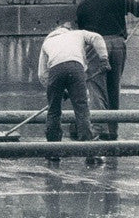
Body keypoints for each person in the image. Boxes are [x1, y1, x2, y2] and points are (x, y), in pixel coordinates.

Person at [75, 0, 139, 140]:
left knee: (97, 87)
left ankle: (100, 129)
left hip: (96, 46)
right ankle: (113, 131)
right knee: (113, 87)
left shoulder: (82, 6)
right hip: (118, 44)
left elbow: (83, 34)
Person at [37, 20, 110, 165]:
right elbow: (97, 38)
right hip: (76, 68)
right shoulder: (78, 34)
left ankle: (53, 151)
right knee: (81, 109)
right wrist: (104, 59)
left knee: (53, 111)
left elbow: (42, 74)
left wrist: (59, 90)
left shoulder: (47, 42)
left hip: (55, 70)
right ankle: (89, 151)